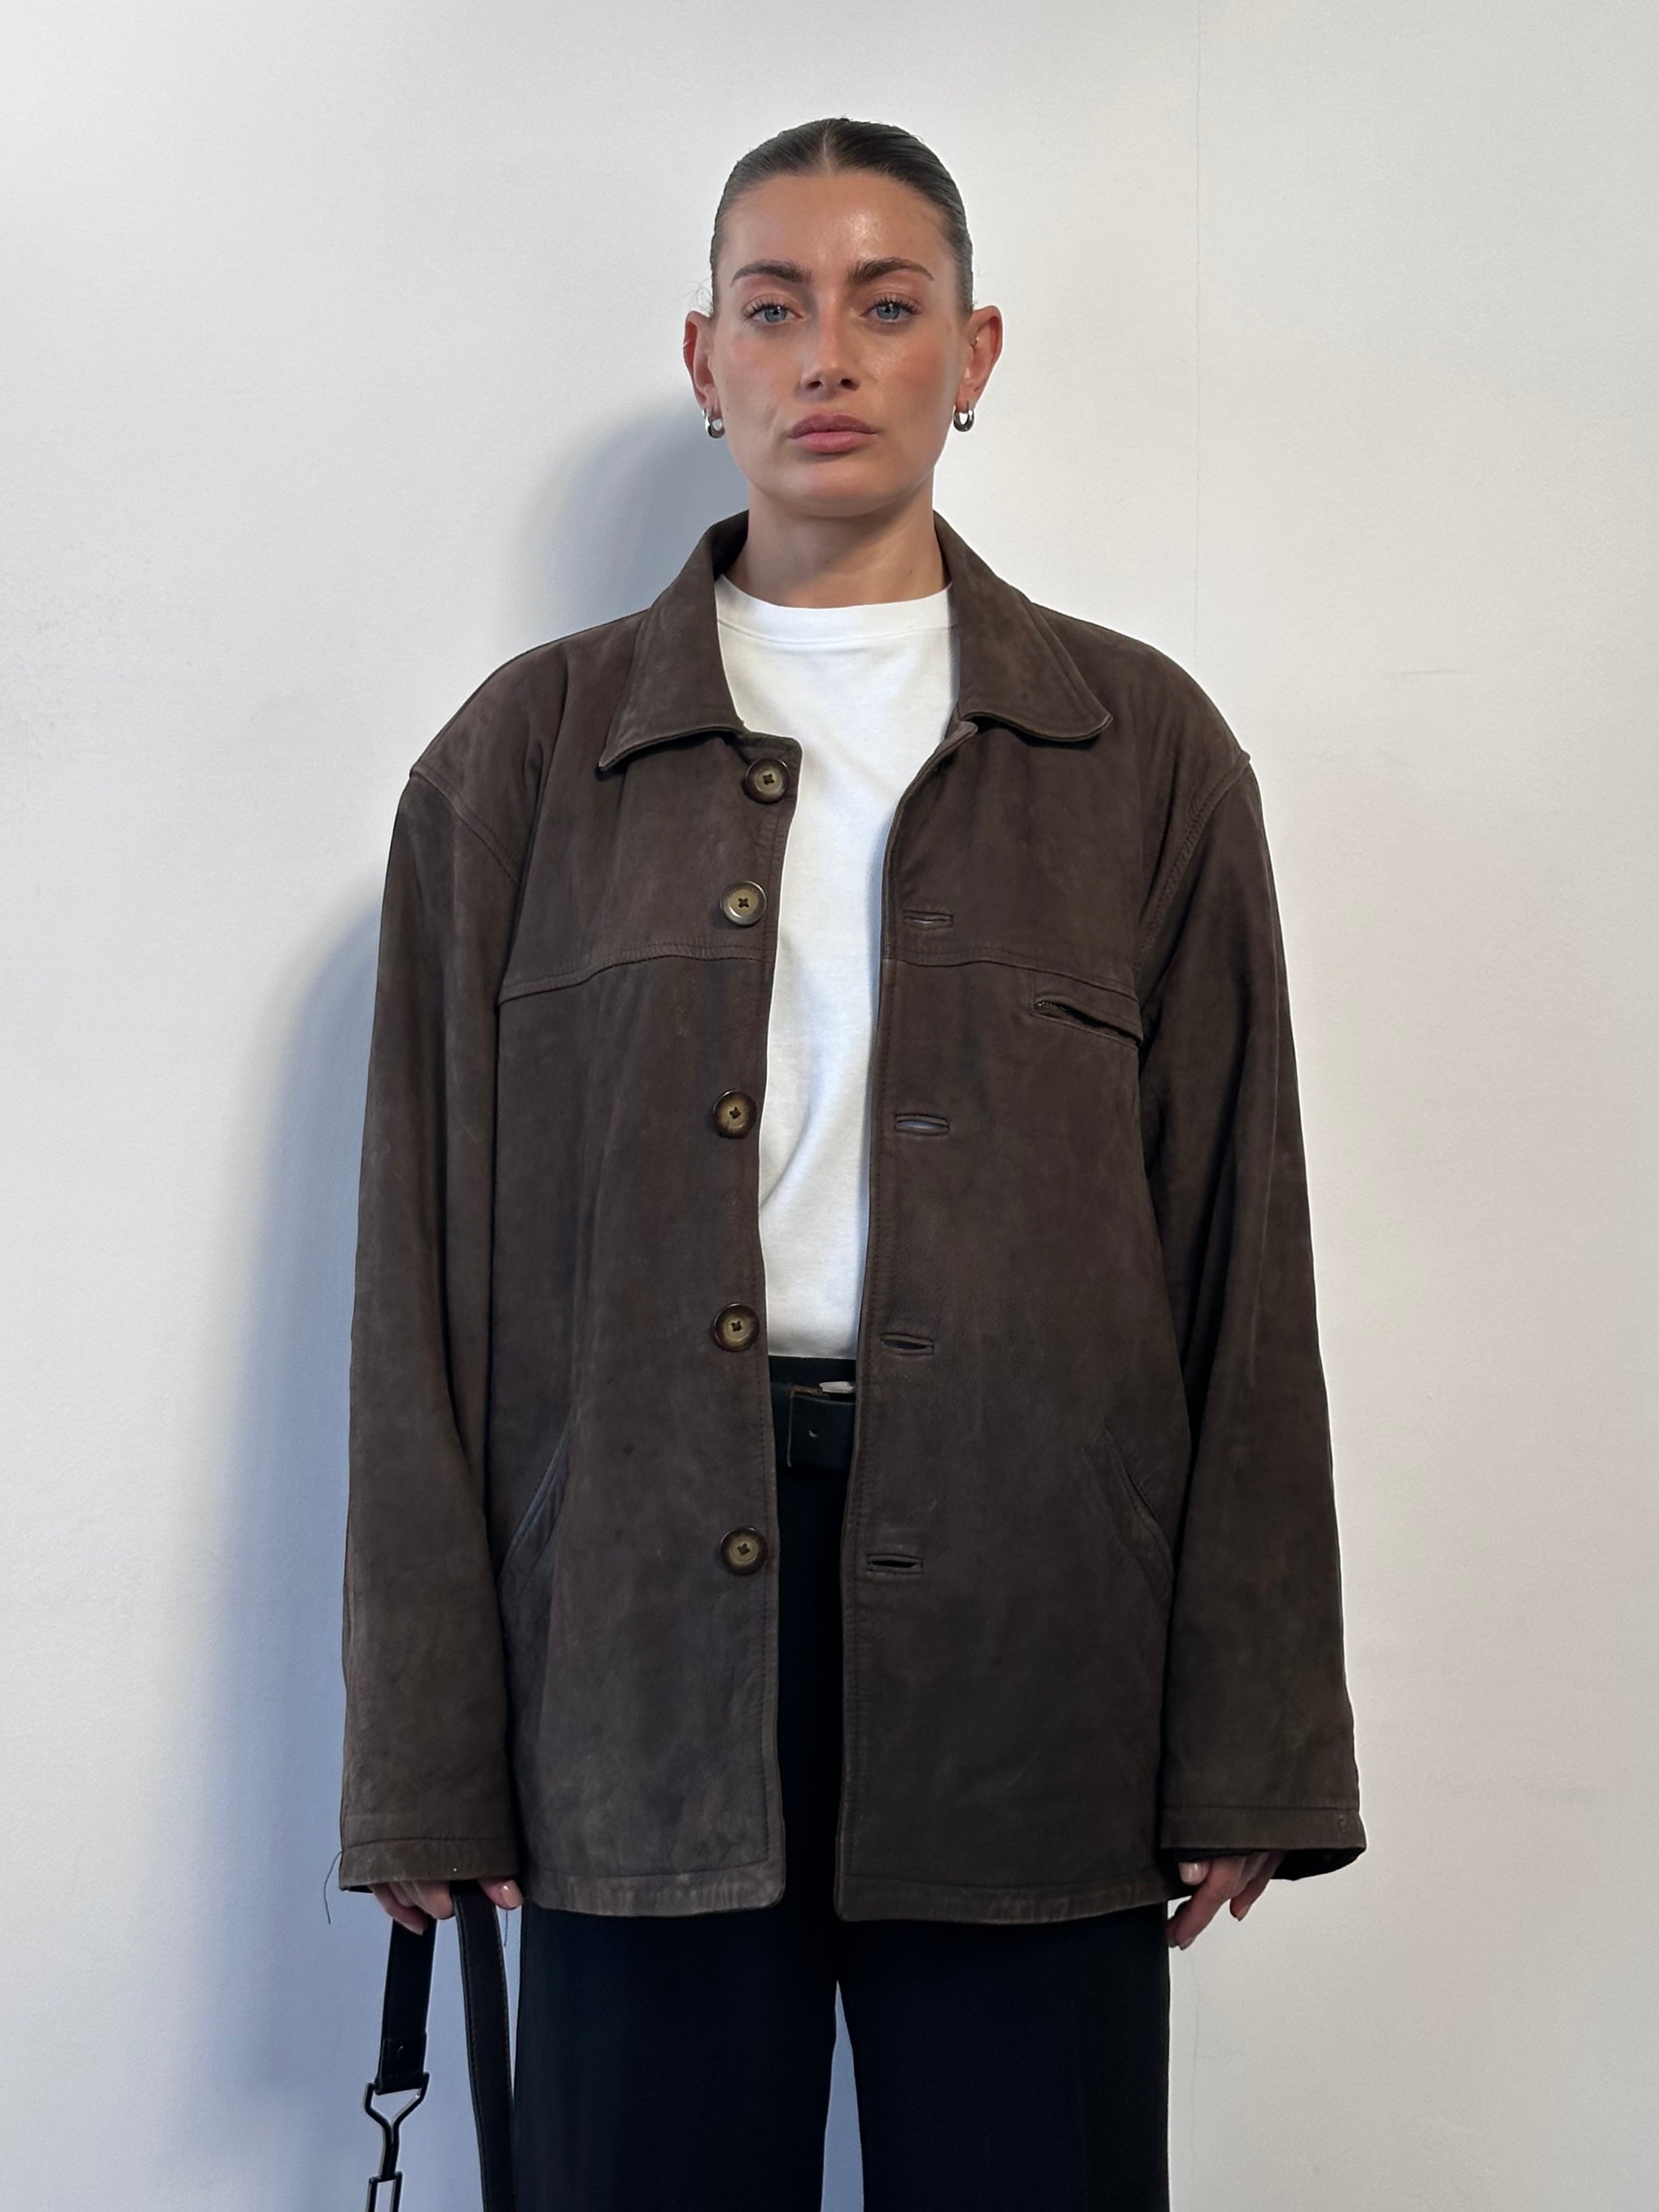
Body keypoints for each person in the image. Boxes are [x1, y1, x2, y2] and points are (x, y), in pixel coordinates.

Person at [337, 115, 1365, 2211]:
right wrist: (424, 1752)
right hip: (633, 1652)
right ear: (703, 357)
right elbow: (417, 1278)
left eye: (888, 306)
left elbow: (1239, 1259)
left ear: (971, 355)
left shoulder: (1140, 754)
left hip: (1036, 1645)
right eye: (775, 305)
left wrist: (1251, 1731)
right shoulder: (518, 765)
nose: (828, 353)